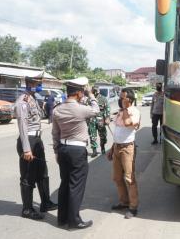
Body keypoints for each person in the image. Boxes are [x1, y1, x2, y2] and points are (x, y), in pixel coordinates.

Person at [52, 77, 100, 229]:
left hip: (63, 149)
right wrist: (91, 95)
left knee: (65, 183)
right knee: (76, 186)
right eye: (82, 93)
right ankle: (74, 221)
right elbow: (96, 110)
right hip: (77, 150)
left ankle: (62, 219)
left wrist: (56, 151)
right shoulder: (80, 109)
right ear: (79, 93)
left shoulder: (57, 109)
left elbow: (55, 133)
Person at [15, 76, 57, 220]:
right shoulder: (23, 101)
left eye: (40, 83)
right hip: (29, 141)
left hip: (36, 140)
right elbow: (22, 126)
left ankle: (45, 202)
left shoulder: (33, 98)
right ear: (29, 84)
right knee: (28, 176)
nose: (39, 86)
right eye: (37, 84)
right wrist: (27, 149)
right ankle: (27, 209)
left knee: (42, 174)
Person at [108, 88, 140, 219]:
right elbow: (118, 132)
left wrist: (126, 109)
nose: (120, 100)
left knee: (129, 178)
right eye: (120, 98)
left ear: (130, 100)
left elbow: (127, 124)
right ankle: (124, 202)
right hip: (117, 147)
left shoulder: (134, 112)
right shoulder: (120, 112)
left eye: (123, 98)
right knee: (117, 177)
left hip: (127, 148)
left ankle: (133, 207)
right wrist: (112, 148)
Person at [87, 87, 110, 157]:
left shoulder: (103, 99)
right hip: (91, 120)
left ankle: (102, 147)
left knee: (103, 135)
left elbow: (107, 109)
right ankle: (94, 151)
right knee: (92, 136)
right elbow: (86, 109)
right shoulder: (89, 99)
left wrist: (107, 118)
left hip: (101, 120)